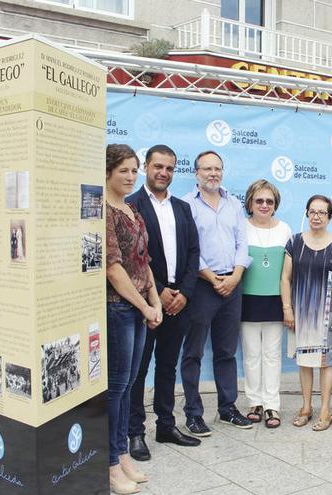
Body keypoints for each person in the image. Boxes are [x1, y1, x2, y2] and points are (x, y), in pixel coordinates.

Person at [126, 145, 202, 462]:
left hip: (179, 301)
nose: (164, 173)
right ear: (146, 166)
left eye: (170, 168)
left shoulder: (183, 208)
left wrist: (183, 292)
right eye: (158, 166)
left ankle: (166, 425)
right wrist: (160, 292)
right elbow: (133, 259)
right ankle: (134, 433)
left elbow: (194, 253)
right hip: (145, 302)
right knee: (138, 369)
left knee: (168, 366)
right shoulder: (131, 205)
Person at [181, 150, 253, 436]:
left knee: (226, 352)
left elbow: (242, 243)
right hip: (202, 287)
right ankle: (193, 414)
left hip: (232, 286)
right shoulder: (187, 205)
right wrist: (212, 278)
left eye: (218, 168)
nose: (213, 173)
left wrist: (235, 276)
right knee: (194, 352)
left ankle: (228, 408)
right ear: (196, 172)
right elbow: (189, 248)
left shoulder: (233, 204)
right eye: (207, 168)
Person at [105, 143, 162, 495]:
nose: (130, 176)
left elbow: (144, 262)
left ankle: (123, 454)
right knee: (115, 387)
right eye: (123, 170)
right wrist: (144, 307)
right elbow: (113, 269)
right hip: (118, 308)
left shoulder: (132, 211)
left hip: (140, 308)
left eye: (133, 170)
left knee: (127, 387)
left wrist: (154, 302)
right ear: (108, 171)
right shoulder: (103, 211)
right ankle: (110, 463)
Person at [281, 195, 332, 432]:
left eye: (322, 212)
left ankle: (325, 411)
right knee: (305, 362)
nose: (316, 216)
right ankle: (306, 407)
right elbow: (285, 278)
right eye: (312, 211)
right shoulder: (294, 242)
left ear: (330, 216)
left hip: (326, 313)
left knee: (324, 363)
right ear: (307, 213)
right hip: (300, 312)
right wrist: (287, 309)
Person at [240, 179, 291, 429]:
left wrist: (289, 305)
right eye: (259, 200)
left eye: (269, 201)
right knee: (251, 355)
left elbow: (289, 272)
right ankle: (254, 402)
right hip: (247, 300)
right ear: (250, 202)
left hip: (275, 301)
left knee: (272, 355)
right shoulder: (241, 227)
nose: (264, 205)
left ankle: (272, 405)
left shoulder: (285, 230)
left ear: (275, 205)